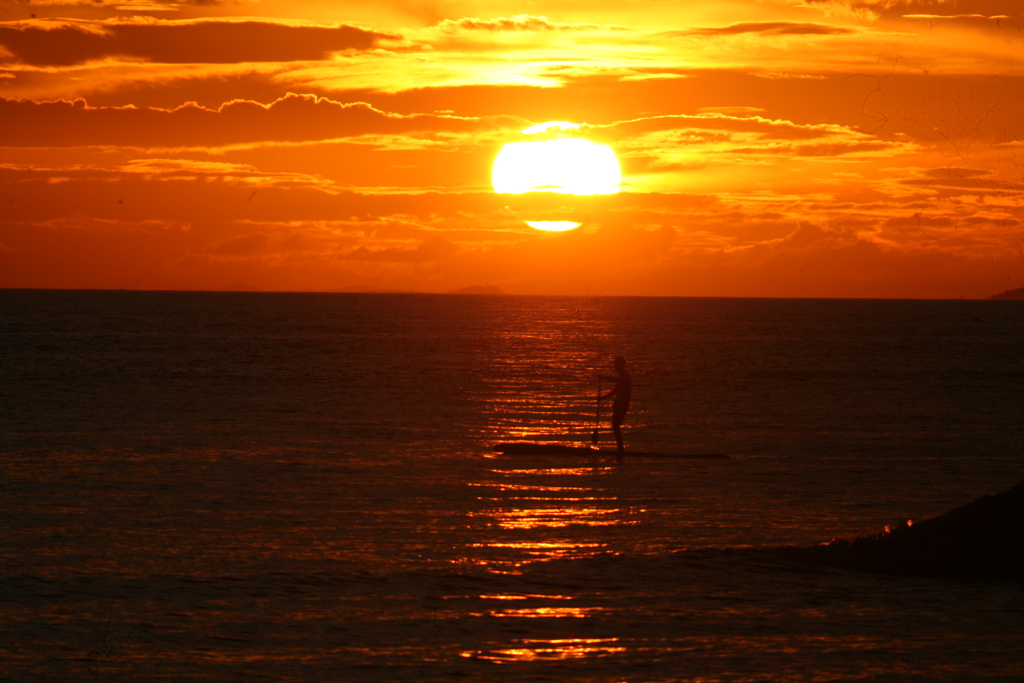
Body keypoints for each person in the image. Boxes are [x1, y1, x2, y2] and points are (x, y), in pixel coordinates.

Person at [598, 356, 632, 454]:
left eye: (616, 364)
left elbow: (616, 389)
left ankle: (621, 449)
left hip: (621, 405)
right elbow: (617, 387)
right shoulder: (623, 375)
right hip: (619, 405)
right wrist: (602, 398)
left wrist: (604, 378)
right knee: (615, 426)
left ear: (620, 365)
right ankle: (620, 448)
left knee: (615, 426)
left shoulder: (625, 376)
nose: (614, 366)